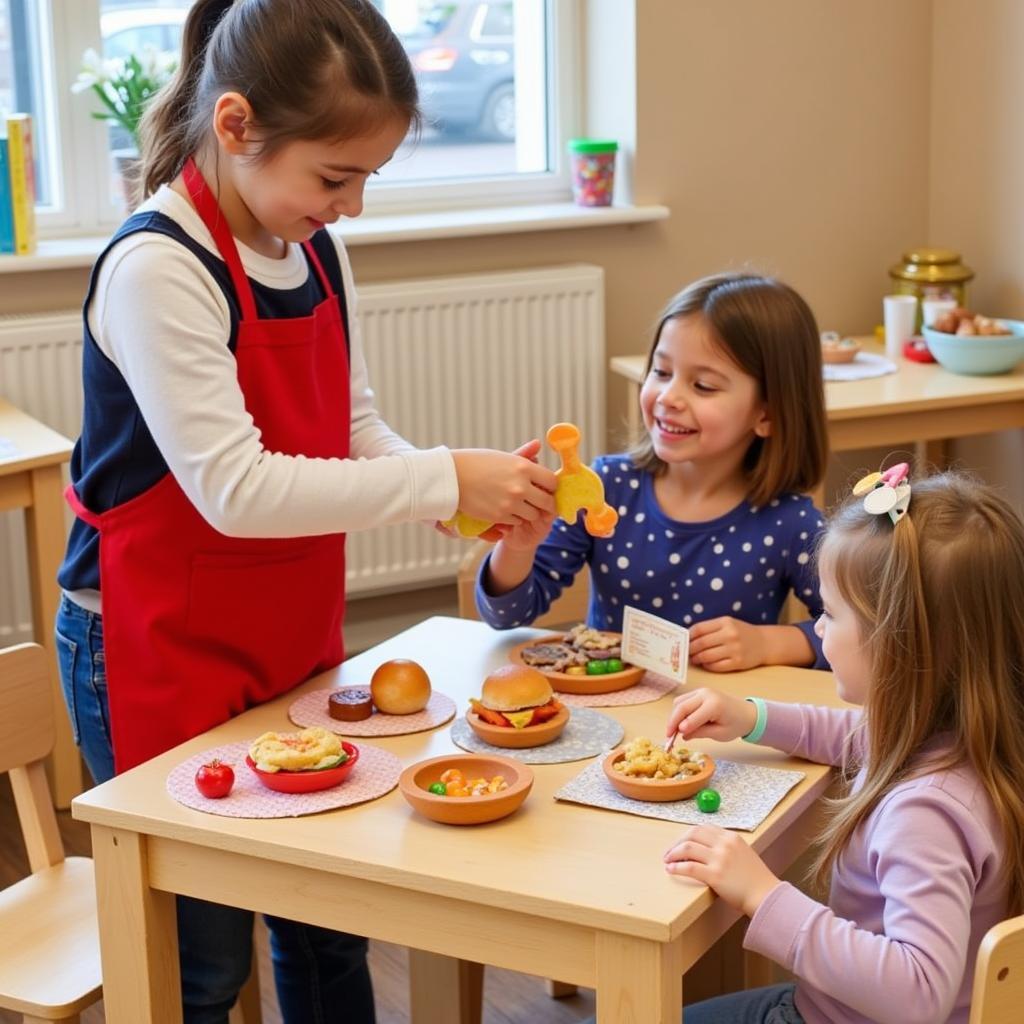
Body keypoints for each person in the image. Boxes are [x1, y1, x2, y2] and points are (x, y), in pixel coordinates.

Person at [54, 1, 555, 1021]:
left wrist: (459, 495)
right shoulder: (158, 266)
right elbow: (234, 490)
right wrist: (442, 478)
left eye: (368, 177)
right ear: (235, 126)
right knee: (199, 962)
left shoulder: (316, 248)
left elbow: (352, 428)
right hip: (153, 648)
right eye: (336, 177)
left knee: (325, 925)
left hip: (283, 636)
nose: (355, 206)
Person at [661, 471, 1024, 1023]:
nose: (819, 630)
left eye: (829, 614)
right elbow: (857, 738)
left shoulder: (924, 812)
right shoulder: (968, 742)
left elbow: (918, 993)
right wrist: (751, 718)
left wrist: (762, 893)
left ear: (899, 643)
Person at [475, 272, 830, 671]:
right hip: (608, 720)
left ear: (768, 413)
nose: (668, 397)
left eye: (704, 386)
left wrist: (771, 643)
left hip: (722, 722)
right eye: (661, 372)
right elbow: (507, 616)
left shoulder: (790, 522)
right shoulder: (606, 487)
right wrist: (518, 547)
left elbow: (867, 635)